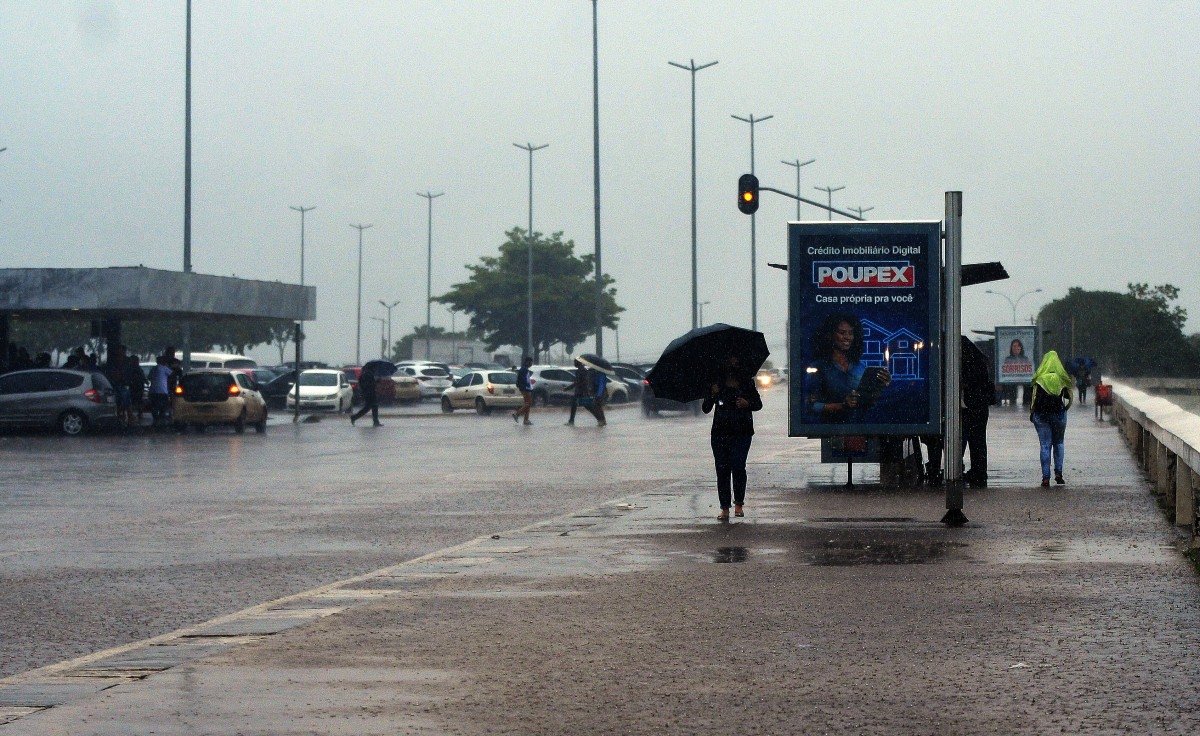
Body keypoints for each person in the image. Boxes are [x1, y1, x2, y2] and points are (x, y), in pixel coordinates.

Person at [924, 337, 995, 487]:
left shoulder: (962, 364)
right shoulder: (978, 361)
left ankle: (955, 470)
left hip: (968, 408)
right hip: (978, 408)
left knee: (961, 440)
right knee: (978, 442)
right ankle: (978, 472)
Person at [703, 356, 763, 521]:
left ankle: (738, 504)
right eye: (730, 360)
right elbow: (705, 409)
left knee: (738, 467)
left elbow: (758, 404)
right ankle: (724, 508)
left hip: (742, 432)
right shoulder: (717, 383)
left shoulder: (747, 383)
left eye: (736, 360)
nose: (733, 363)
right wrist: (712, 394)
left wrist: (747, 403)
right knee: (722, 470)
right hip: (720, 433)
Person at [803, 313, 890, 423]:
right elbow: (811, 406)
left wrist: (881, 384)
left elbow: (869, 402)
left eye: (851, 333)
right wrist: (842, 405)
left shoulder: (860, 367)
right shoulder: (818, 367)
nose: (847, 337)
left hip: (860, 427)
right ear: (830, 335)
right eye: (842, 332)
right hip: (831, 427)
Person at [1030, 350, 1073, 487]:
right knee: (1059, 443)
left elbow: (1034, 399)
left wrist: (1032, 413)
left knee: (1045, 445)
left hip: (1041, 415)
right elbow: (1069, 398)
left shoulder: (1040, 378)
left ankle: (1045, 477)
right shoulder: (1061, 377)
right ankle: (1059, 473)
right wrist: (1064, 409)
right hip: (1058, 414)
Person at [148, 356, 173, 427]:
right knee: (163, 406)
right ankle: (161, 419)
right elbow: (172, 374)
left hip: (153, 391)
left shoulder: (153, 368)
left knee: (154, 406)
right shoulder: (165, 368)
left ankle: (156, 419)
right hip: (163, 391)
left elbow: (149, 377)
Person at [565, 361, 590, 426]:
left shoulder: (581, 371)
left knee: (588, 406)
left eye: (575, 363)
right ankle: (571, 421)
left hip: (581, 391)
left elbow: (577, 382)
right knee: (575, 405)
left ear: (578, 363)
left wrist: (568, 388)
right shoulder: (582, 370)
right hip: (581, 391)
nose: (574, 364)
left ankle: (600, 418)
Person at [512, 356, 533, 425]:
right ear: (527, 362)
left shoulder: (524, 369)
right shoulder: (524, 369)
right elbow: (525, 380)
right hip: (525, 388)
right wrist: (527, 387)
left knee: (527, 404)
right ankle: (517, 414)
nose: (531, 364)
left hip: (525, 388)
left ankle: (526, 420)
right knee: (528, 403)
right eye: (531, 362)